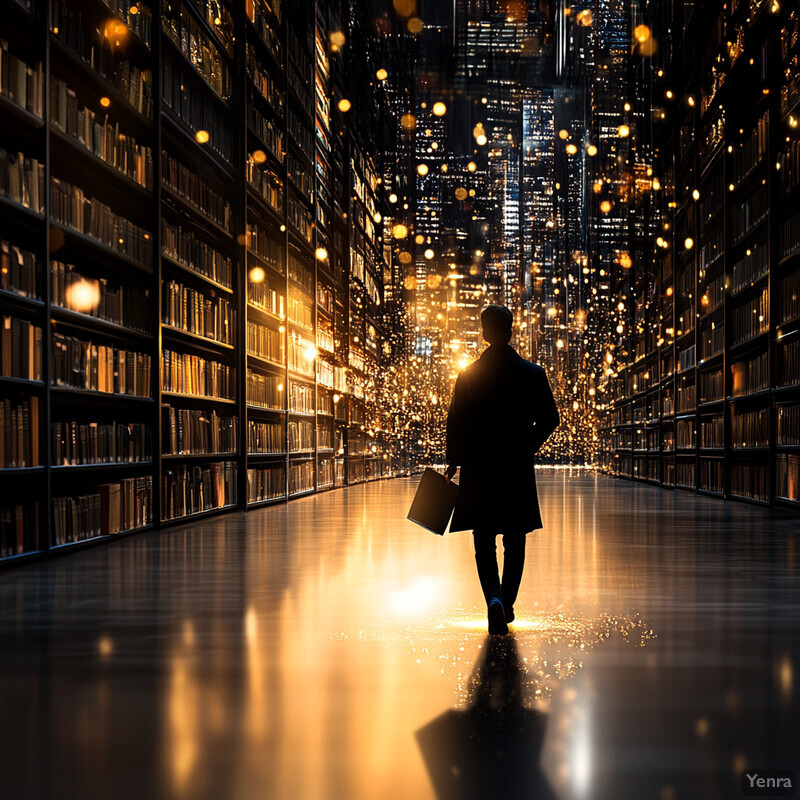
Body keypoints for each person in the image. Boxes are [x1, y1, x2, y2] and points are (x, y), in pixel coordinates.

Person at [445, 305, 560, 635]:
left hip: (480, 467)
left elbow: (457, 422)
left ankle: (493, 599)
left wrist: (455, 459)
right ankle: (506, 603)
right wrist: (527, 444)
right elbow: (551, 419)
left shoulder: (468, 375)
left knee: (483, 539)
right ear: (511, 331)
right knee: (515, 538)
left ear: (484, 332)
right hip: (515, 466)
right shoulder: (532, 374)